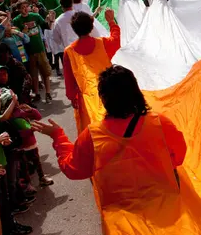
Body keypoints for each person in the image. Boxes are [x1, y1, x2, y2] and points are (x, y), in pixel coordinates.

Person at [32, 65, 186, 208]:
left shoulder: (93, 136)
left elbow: (74, 169)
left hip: (121, 216)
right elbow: (179, 155)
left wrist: (58, 137)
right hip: (164, 205)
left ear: (104, 99)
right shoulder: (160, 124)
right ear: (136, 92)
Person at [64, 9, 120, 132]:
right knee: (113, 124)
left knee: (92, 129)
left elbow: (69, 78)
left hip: (86, 97)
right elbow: (116, 40)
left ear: (74, 29)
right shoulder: (103, 43)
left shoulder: (69, 51)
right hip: (108, 91)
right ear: (91, 26)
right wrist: (111, 22)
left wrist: (72, 97)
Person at [12, 0, 53, 104]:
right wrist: (24, 31)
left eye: (26, 6)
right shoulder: (16, 20)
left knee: (45, 73)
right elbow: (16, 37)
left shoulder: (35, 16)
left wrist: (50, 20)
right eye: (22, 7)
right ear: (19, 9)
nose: (25, 9)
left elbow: (46, 26)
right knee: (33, 74)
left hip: (40, 49)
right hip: (27, 51)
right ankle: (37, 94)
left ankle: (48, 93)